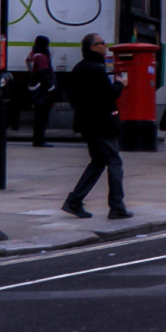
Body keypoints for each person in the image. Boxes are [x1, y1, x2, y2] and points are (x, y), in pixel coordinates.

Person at [60, 33, 130, 219]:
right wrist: (119, 84)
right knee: (114, 162)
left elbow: (74, 97)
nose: (105, 45)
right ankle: (117, 206)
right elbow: (108, 95)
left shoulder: (79, 68)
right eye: (101, 43)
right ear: (93, 47)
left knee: (98, 162)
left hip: (88, 123)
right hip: (102, 123)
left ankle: (74, 201)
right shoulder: (96, 69)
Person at [24, 36, 58, 146]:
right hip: (42, 92)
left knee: (38, 118)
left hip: (36, 89)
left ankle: (37, 139)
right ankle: (40, 140)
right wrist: (51, 88)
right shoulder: (42, 57)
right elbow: (43, 74)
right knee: (42, 118)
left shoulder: (33, 55)